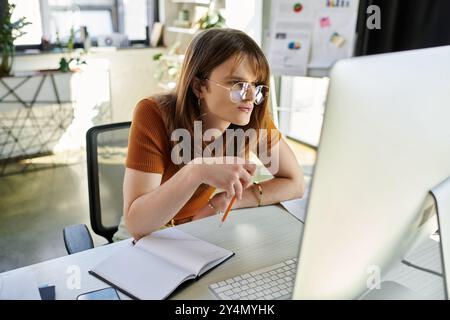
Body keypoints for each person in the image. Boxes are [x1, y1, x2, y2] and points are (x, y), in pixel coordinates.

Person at [113, 28, 305, 241]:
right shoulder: (153, 114)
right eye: (237, 84)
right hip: (149, 232)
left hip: (200, 227)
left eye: (256, 85)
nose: (251, 96)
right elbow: (137, 225)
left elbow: (295, 183)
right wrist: (197, 171)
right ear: (199, 86)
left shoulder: (252, 116)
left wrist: (222, 202)